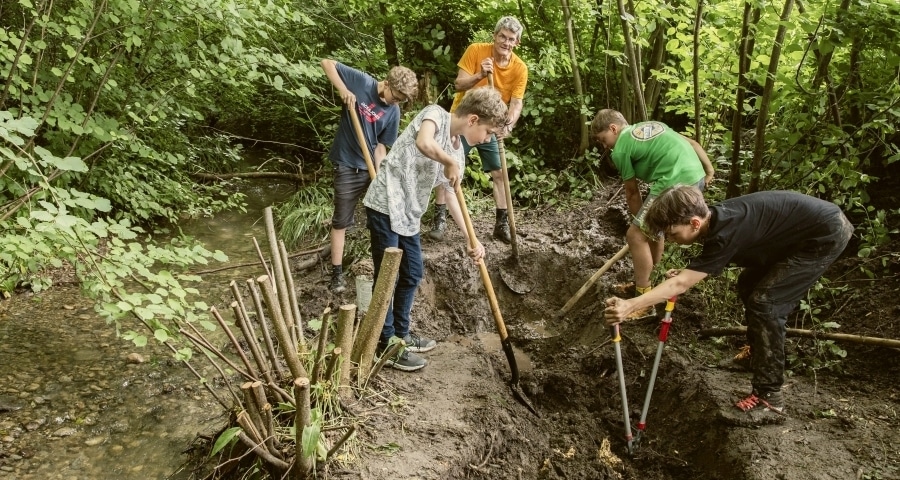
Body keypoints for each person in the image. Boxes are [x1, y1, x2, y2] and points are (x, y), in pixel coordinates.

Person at [604, 185, 853, 415]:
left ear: (694, 222)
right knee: (749, 285)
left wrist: (631, 305)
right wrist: (687, 273)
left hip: (823, 235)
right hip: (796, 235)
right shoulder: (717, 222)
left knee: (766, 303)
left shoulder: (726, 231)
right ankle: (758, 355)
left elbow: (681, 284)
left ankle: (769, 396)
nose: (670, 240)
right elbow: (710, 261)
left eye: (672, 233)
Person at [363, 87, 509, 371]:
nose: (487, 139)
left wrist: (471, 238)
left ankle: (402, 334)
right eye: (489, 132)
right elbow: (423, 142)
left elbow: (451, 193)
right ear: (473, 119)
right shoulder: (435, 115)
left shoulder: (458, 152)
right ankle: (387, 345)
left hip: (408, 214)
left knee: (413, 271)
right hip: (385, 203)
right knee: (387, 278)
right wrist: (449, 161)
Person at [591, 109, 715, 319]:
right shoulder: (651, 126)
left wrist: (640, 224)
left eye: (603, 139)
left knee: (635, 235)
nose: (605, 146)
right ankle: (650, 283)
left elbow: (632, 193)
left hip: (674, 181)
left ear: (613, 128)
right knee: (654, 230)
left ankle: (643, 303)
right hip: (696, 177)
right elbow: (693, 143)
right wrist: (709, 171)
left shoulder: (621, 149)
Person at [427, 16, 528, 244]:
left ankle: (501, 224)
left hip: (490, 125)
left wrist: (508, 124)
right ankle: (440, 218)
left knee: (499, 173)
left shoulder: (520, 68)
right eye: (502, 36)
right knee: (447, 167)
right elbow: (458, 85)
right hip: (464, 121)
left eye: (511, 39)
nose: (505, 42)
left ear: (517, 43)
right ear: (494, 36)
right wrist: (480, 75)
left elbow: (516, 102)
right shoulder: (476, 51)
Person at [320, 59, 419, 293]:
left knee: (381, 216)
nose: (396, 102)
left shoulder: (393, 112)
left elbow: (381, 147)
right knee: (341, 220)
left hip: (369, 168)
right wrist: (343, 90)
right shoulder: (362, 81)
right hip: (346, 164)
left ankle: (382, 269)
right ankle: (337, 274)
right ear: (387, 83)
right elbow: (327, 63)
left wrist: (379, 176)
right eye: (395, 96)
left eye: (401, 100)